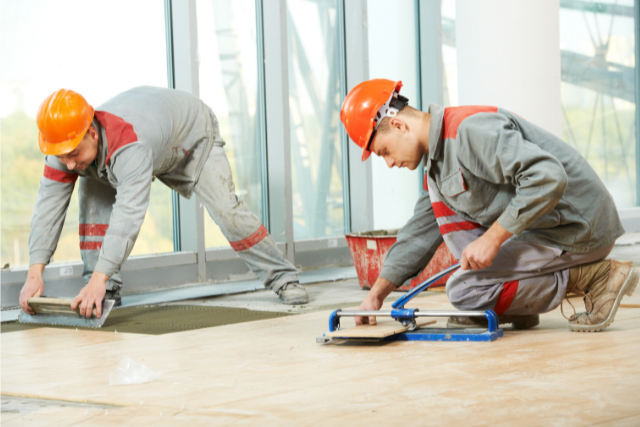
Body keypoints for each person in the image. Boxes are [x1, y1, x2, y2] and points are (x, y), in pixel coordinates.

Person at [340, 78, 638, 332]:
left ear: (398, 124)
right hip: (550, 232)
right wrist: (376, 296)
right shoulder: (437, 167)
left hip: (579, 229)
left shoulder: (469, 131)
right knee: (449, 237)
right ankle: (519, 306)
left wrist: (493, 239)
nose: (390, 163)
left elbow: (548, 176)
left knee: (465, 289)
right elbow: (418, 233)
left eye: (384, 152)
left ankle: (598, 276)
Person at [19, 86, 308, 318]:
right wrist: (35, 273)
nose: (68, 165)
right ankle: (106, 290)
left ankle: (284, 278)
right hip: (145, 142)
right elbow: (48, 208)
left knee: (227, 211)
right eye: (62, 157)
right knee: (92, 195)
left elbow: (128, 218)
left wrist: (96, 279)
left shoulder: (130, 144)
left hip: (191, 138)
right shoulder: (64, 145)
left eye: (73, 154)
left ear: (92, 133)